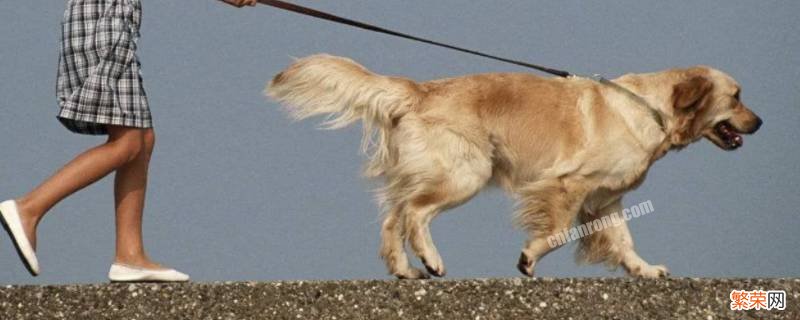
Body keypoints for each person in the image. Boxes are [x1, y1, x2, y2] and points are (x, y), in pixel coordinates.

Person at [0, 0, 257, 282]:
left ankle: (129, 254)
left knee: (142, 139)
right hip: (103, 23)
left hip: (104, 23)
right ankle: (29, 208)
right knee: (129, 143)